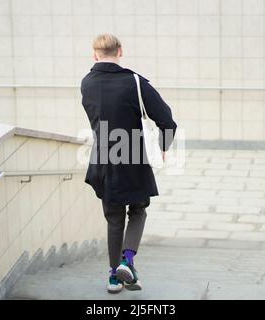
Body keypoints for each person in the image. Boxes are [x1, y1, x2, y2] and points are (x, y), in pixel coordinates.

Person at [80, 34, 177, 294]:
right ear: (120, 51)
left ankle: (114, 278)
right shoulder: (135, 82)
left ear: (94, 55)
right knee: (137, 210)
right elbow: (167, 120)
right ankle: (128, 261)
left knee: (113, 219)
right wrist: (164, 148)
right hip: (132, 157)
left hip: (103, 159)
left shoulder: (87, 83)